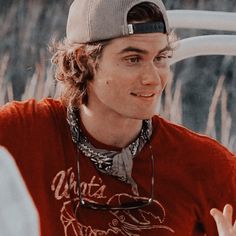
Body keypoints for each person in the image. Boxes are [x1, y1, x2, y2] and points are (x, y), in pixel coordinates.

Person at [0, 0, 235, 235]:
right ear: (84, 61)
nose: (153, 78)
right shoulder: (23, 133)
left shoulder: (206, 166)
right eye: (133, 59)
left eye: (160, 58)